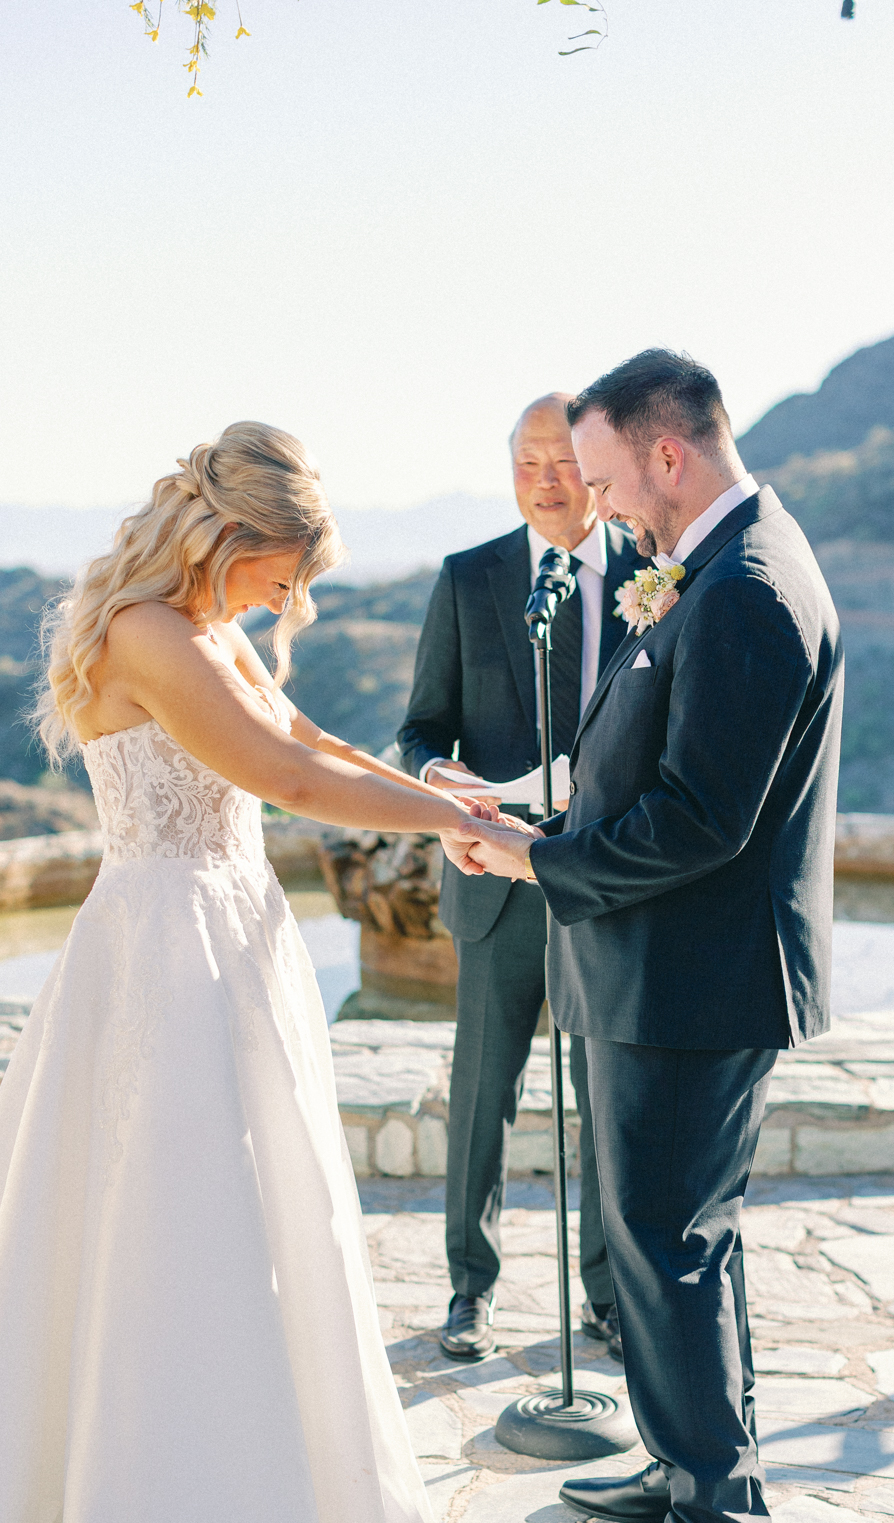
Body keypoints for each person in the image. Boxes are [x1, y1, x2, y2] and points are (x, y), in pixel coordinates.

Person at [0, 423, 491, 1523]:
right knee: (171, 1225)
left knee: (265, 1222)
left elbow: (308, 735)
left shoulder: (212, 628)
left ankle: (273, 1503)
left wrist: (446, 791)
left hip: (235, 940)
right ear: (228, 537)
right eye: (282, 573)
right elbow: (280, 778)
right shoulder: (148, 634)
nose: (289, 600)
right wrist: (445, 820)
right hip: (165, 956)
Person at [442, 351, 843, 1523]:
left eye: (608, 480)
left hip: (692, 984)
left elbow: (701, 820)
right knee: (683, 1247)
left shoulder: (748, 589)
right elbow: (647, 769)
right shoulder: (714, 565)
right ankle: (691, 1471)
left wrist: (534, 861)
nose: (599, 507)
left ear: (669, 455)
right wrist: (529, 819)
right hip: (663, 971)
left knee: (666, 1249)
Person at [397, 394, 641, 1362]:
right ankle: (471, 1289)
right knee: (482, 1096)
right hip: (493, 882)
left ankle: (607, 1297)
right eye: (526, 463)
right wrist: (438, 777)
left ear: (597, 466)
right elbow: (422, 726)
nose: (545, 481)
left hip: (605, 882)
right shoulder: (469, 578)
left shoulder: (650, 576)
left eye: (563, 462)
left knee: (603, 1098)